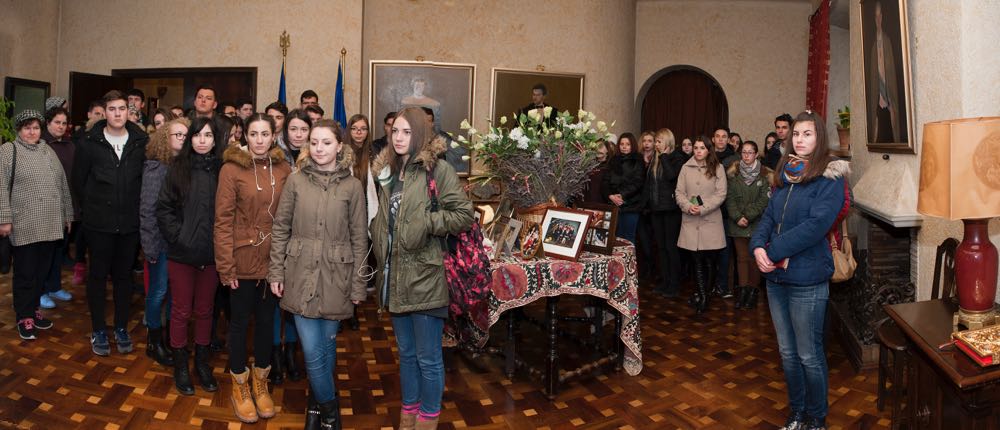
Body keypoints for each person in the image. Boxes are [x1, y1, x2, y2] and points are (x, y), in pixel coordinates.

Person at [370, 107, 474, 430]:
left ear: (420, 134)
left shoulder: (437, 170)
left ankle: (428, 420)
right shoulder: (386, 171)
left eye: (406, 132)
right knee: (407, 355)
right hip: (395, 276)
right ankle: (408, 415)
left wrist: (426, 223)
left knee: (429, 358)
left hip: (426, 276)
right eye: (395, 132)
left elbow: (464, 215)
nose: (399, 138)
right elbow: (385, 220)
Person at [750, 111, 848, 430]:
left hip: (807, 278)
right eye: (796, 134)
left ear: (819, 137)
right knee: (788, 354)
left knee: (808, 355)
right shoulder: (787, 169)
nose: (800, 139)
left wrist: (773, 251)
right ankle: (797, 412)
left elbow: (816, 226)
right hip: (777, 280)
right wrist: (758, 247)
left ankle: (817, 419)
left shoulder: (830, 176)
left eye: (807, 134)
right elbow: (768, 216)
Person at [269, 119, 367, 430]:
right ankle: (331, 414)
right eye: (314, 142)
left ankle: (315, 407)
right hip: (299, 275)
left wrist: (358, 285)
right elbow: (281, 228)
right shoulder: (296, 181)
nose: (319, 148)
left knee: (325, 350)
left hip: (337, 278)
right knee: (311, 352)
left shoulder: (352, 186)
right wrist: (275, 271)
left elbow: (359, 238)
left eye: (326, 142)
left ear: (340, 146)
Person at [215, 113, 291, 423]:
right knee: (239, 324)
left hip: (273, 262)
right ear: (245, 135)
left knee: (266, 323)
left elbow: (289, 219)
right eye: (253, 134)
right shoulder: (231, 169)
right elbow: (222, 221)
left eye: (265, 134)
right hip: (241, 260)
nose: (259, 140)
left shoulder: (284, 169)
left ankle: (261, 385)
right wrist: (226, 267)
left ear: (274, 136)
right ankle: (239, 385)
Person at [73, 90, 149, 356]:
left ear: (129, 111)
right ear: (104, 112)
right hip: (99, 224)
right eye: (112, 109)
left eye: (122, 109)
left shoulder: (141, 141)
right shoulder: (88, 142)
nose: (117, 114)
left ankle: (120, 327)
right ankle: (98, 329)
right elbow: (79, 183)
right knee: (97, 277)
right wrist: (94, 209)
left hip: (129, 225)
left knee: (123, 278)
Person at [156, 116, 223, 395]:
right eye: (197, 135)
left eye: (208, 135)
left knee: (206, 311)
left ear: (215, 140)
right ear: (189, 139)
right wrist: (178, 236)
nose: (202, 140)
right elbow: (163, 208)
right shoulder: (177, 168)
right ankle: (181, 364)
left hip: (212, 255)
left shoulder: (223, 170)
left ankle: (202, 362)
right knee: (181, 311)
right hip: (181, 254)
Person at [0, 110, 74, 340]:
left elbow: (62, 185)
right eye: (27, 128)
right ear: (19, 130)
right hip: (24, 224)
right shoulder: (8, 151)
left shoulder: (47, 149)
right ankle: (24, 316)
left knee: (42, 272)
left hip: (50, 224)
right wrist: (4, 218)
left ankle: (33, 311)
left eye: (36, 127)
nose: (32, 132)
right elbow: (1, 186)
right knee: (25, 273)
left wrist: (67, 215)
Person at [140, 117, 189, 367]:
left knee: (175, 294)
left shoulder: (186, 166)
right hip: (159, 244)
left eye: (184, 135)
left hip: (181, 244)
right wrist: (149, 247)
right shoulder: (156, 168)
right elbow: (147, 211)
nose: (181, 139)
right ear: (164, 138)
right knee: (158, 292)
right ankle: (154, 341)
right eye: (176, 135)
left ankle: (172, 339)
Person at [268, 109, 309, 385]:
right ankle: (274, 353)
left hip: (304, 238)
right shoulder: (273, 158)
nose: (297, 134)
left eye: (302, 129)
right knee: (274, 300)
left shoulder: (317, 157)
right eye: (292, 129)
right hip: (276, 234)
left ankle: (292, 352)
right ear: (285, 131)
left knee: (295, 300)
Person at [675, 137, 726, 314]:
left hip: (710, 221)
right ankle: (703, 297)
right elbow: (679, 192)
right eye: (696, 148)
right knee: (696, 260)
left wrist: (703, 208)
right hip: (690, 220)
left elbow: (721, 194)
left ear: (708, 150)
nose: (698, 151)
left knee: (709, 261)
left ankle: (705, 294)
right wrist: (688, 206)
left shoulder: (718, 168)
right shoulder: (685, 168)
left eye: (702, 148)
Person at [726, 140, 771, 310]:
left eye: (750, 152)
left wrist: (749, 216)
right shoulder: (733, 175)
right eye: (743, 152)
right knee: (742, 259)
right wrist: (738, 217)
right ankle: (743, 292)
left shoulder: (764, 175)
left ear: (756, 154)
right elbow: (729, 199)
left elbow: (763, 200)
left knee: (754, 260)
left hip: (757, 224)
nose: (746, 156)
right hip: (737, 225)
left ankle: (753, 292)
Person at [40, 107, 76, 308]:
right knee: (44, 253)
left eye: (64, 123)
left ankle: (54, 287)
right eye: (57, 122)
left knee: (58, 251)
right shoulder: (41, 145)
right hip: (46, 207)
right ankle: (41, 290)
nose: (61, 126)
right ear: (48, 123)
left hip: (67, 206)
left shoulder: (71, 145)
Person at [644, 128, 686, 297]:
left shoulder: (676, 157)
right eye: (656, 141)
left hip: (671, 210)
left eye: (659, 141)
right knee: (661, 248)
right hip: (656, 210)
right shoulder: (655, 158)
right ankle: (665, 281)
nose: (656, 144)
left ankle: (674, 284)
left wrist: (665, 157)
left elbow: (671, 177)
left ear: (668, 141)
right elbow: (650, 184)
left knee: (671, 247)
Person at [867, 0, 902, 143]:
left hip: (889, 97)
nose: (878, 19)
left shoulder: (888, 41)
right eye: (876, 16)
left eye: (880, 15)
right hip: (879, 98)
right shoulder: (873, 45)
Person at [604, 133, 645, 246]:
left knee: (628, 239)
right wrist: (611, 196)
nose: (624, 146)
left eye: (627, 144)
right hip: (613, 205)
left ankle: (628, 263)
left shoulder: (638, 159)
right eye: (622, 144)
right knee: (613, 238)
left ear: (633, 145)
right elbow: (605, 182)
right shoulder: (613, 160)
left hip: (631, 206)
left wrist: (621, 195)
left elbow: (638, 182)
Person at [581, 139, 615, 204]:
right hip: (585, 202)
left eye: (601, 146)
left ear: (607, 151)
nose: (599, 148)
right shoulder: (589, 163)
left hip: (601, 204)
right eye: (597, 146)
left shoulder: (611, 165)